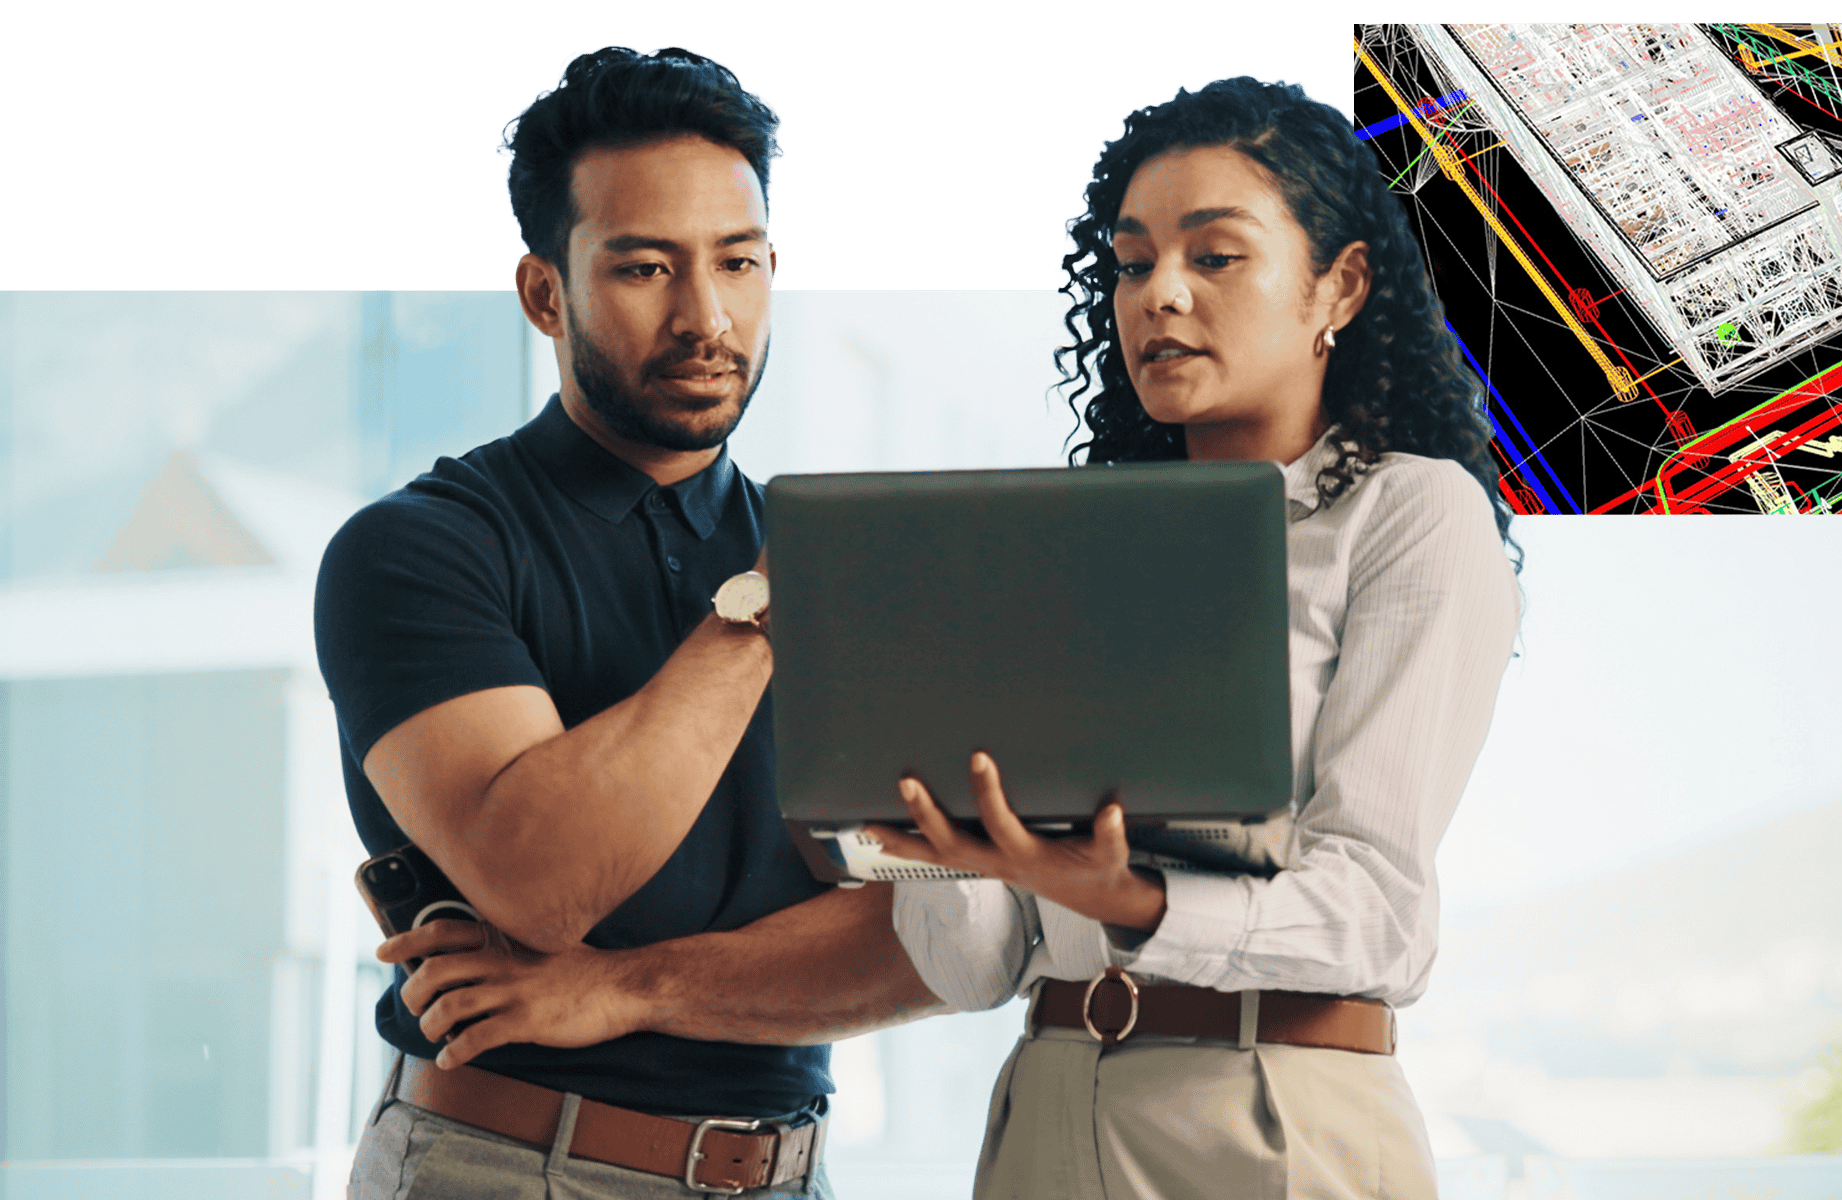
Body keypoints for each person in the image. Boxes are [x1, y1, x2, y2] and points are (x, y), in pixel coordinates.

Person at [872, 75, 1522, 1199]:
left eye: (1214, 256)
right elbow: (975, 969)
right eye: (1131, 264)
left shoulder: (1407, 515)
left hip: (1270, 1113)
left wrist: (1134, 901)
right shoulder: (1066, 554)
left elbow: (1377, 913)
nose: (1158, 294)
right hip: (1047, 1098)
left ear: (1339, 286)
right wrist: (935, 823)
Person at [316, 45, 940, 1199]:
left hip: (790, 1171)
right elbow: (547, 883)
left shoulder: (829, 560)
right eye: (647, 267)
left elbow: (933, 942)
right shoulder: (420, 549)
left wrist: (620, 987)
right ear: (545, 294)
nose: (707, 315)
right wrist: (769, 603)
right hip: (511, 1167)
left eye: (737, 262)